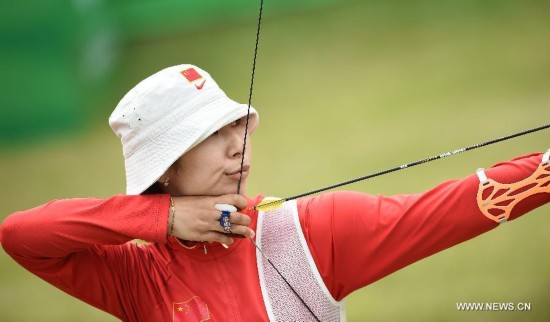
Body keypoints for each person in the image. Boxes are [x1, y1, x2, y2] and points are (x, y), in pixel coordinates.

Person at [0, 64, 548, 322]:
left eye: (235, 126)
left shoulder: (308, 234)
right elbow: (22, 234)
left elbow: (459, 204)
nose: (237, 145)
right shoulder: (139, 279)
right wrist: (161, 218)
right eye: (210, 135)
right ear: (163, 168)